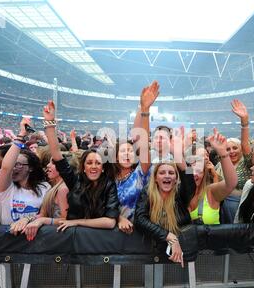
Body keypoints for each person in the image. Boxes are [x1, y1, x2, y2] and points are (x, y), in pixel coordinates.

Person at [43, 101, 120, 231]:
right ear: (83, 167)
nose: (94, 166)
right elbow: (56, 154)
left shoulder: (109, 185)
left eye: (98, 163)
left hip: (97, 242)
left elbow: (110, 222)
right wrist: (50, 124)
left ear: (103, 168)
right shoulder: (74, 181)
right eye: (89, 163)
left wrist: (76, 222)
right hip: (73, 239)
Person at [134, 129, 195, 267]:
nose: (167, 176)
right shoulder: (147, 192)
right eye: (162, 173)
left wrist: (178, 155)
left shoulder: (180, 194)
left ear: (175, 179)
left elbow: (190, 180)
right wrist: (170, 237)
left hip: (180, 259)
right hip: (150, 256)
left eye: (171, 173)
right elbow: (140, 219)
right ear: (155, 178)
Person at [115, 82, 158, 234]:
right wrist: (118, 219)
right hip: (110, 235)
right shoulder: (107, 178)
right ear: (115, 157)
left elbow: (143, 142)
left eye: (130, 151)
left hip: (140, 234)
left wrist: (145, 109)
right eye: (123, 151)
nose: (127, 154)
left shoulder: (140, 173)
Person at [0, 118, 50, 235]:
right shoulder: (6, 188)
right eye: (12, 164)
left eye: (18, 164)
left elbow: (46, 214)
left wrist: (29, 219)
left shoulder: (44, 187)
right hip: (7, 238)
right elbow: (6, 168)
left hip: (35, 238)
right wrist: (21, 135)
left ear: (30, 168)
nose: (13, 168)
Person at [215, 100, 254, 223]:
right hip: (224, 206)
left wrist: (244, 122)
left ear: (241, 150)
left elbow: (244, 144)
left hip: (244, 205)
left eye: (234, 148)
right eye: (228, 149)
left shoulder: (247, 163)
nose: (231, 151)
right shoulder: (220, 164)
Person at [188, 129, 238, 225]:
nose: (195, 174)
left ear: (204, 173)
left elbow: (231, 183)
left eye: (199, 170)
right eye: (191, 170)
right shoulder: (178, 194)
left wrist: (223, 152)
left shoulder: (210, 191)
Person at [22, 154, 69, 241]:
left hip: (60, 238)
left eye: (53, 163)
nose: (48, 165)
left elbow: (66, 220)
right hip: (53, 236)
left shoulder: (63, 189)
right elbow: (42, 215)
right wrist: (26, 219)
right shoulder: (54, 186)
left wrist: (43, 220)